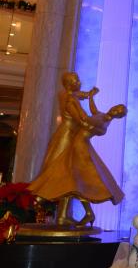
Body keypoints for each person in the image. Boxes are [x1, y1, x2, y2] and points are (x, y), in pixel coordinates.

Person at [29, 73, 127, 227]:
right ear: (69, 84)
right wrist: (90, 98)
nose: (79, 83)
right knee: (66, 174)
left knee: (72, 176)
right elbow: (86, 113)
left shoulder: (74, 100)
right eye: (76, 81)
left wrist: (87, 112)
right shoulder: (72, 100)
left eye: (118, 111)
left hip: (76, 140)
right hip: (70, 138)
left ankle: (61, 213)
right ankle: (44, 201)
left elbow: (83, 119)